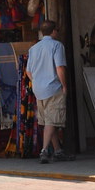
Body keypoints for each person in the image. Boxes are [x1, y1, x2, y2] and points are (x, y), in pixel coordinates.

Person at [25, 20, 73, 163]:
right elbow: (60, 67)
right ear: (54, 31)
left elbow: (28, 71)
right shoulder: (57, 45)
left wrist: (37, 80)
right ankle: (44, 150)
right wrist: (64, 85)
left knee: (48, 121)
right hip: (53, 87)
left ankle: (58, 151)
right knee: (52, 121)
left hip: (39, 89)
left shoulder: (33, 48)